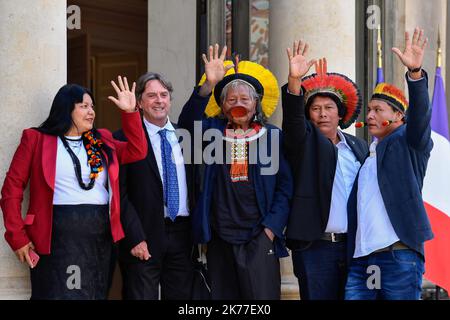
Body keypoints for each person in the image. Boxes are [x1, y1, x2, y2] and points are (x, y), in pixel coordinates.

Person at [0, 77, 147, 299]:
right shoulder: (36, 139)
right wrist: (16, 236)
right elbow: (11, 189)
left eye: (92, 107)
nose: (91, 112)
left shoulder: (102, 140)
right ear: (66, 109)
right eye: (84, 106)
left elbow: (138, 150)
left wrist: (130, 112)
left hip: (99, 241)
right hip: (57, 240)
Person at [113, 45, 232, 300]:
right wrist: (134, 237)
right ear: (140, 102)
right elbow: (119, 195)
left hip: (182, 234)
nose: (159, 100)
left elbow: (193, 112)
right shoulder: (123, 138)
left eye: (164, 95)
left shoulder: (184, 135)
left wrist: (207, 87)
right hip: (143, 234)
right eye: (152, 95)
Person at [178, 45, 293, 300]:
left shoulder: (271, 136)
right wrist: (208, 85)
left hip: (260, 236)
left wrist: (271, 229)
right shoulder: (211, 133)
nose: (238, 104)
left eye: (245, 99)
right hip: (219, 237)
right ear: (221, 105)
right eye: (231, 100)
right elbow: (185, 126)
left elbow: (285, 188)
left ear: (256, 104)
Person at [345, 28, 434, 300]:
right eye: (369, 110)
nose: (370, 115)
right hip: (362, 261)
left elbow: (419, 118)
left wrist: (415, 74)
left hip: (399, 256)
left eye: (378, 110)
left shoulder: (408, 142)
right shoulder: (367, 153)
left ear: (397, 116)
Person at [281, 41, 369, 300]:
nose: (322, 114)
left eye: (329, 108)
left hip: (354, 247)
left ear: (340, 114)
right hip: (315, 247)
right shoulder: (304, 143)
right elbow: (294, 121)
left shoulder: (358, 147)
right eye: (315, 109)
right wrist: (295, 82)